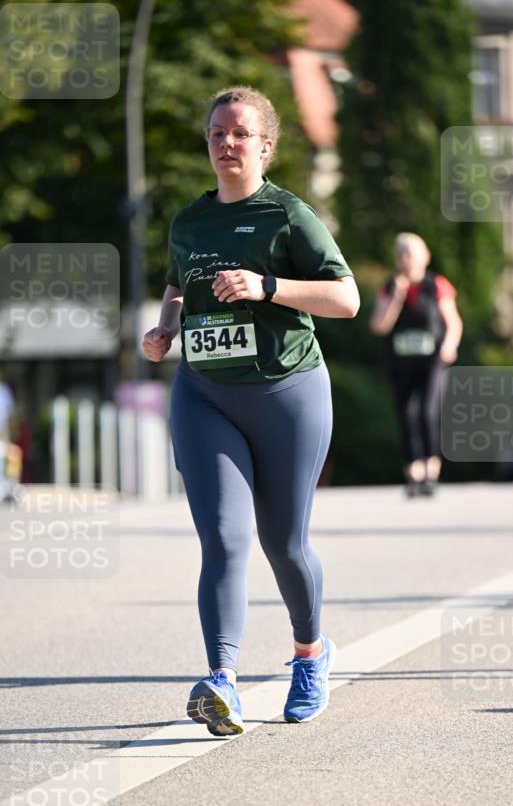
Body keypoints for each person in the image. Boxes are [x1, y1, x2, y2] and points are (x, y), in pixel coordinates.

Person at [142, 85, 359, 734]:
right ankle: (222, 682)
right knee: (224, 539)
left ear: (264, 144)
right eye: (216, 134)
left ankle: (310, 654)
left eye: (239, 133)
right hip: (203, 394)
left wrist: (269, 286)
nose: (226, 144)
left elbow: (345, 299)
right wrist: (165, 329)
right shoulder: (188, 221)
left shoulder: (288, 215)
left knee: (283, 543)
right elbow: (178, 284)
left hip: (286, 391)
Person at [369, 233, 462, 496]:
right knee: (405, 414)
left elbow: (453, 322)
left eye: (410, 253)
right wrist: (397, 297)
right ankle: (413, 473)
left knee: (427, 412)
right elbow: (379, 326)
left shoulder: (437, 285)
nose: (405, 258)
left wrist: (450, 345)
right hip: (400, 360)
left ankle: (431, 472)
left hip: (431, 359)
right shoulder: (390, 286)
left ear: (425, 256)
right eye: (401, 253)